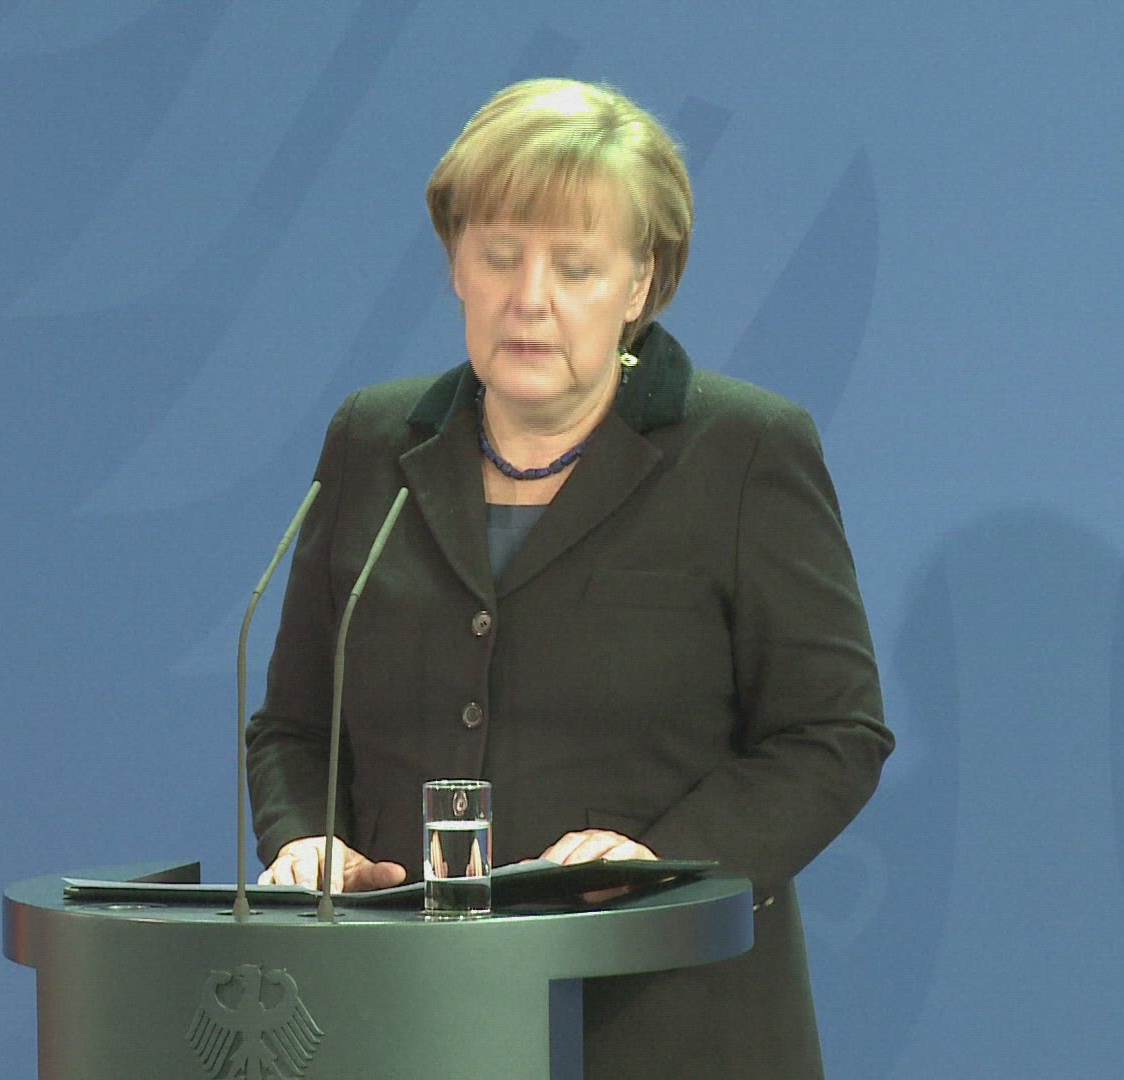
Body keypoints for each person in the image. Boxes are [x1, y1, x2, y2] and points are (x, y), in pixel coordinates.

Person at [245, 77, 893, 1078]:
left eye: (575, 266)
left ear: (639, 284)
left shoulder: (745, 452)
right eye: (499, 256)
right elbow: (295, 727)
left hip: (664, 1021)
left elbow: (832, 734)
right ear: (456, 264)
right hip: (401, 1017)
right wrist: (307, 841)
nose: (530, 298)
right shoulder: (373, 442)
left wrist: (663, 863)